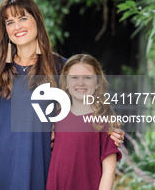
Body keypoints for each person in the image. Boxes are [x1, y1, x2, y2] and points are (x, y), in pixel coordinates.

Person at [0, 0, 66, 189]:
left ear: (37, 19)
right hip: (3, 160)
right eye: (10, 22)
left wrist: (109, 128)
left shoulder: (60, 66)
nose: (17, 27)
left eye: (23, 18)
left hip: (41, 159)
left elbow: (87, 108)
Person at [46, 54, 122, 190]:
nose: (80, 83)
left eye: (87, 77)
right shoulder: (56, 117)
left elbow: (109, 171)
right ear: (66, 83)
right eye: (74, 77)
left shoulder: (104, 120)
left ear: (98, 82)